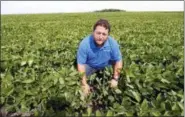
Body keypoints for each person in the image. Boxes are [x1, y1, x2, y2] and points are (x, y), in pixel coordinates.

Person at [77, 19, 123, 96]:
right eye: (98, 33)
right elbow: (81, 64)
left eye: (104, 34)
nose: (100, 37)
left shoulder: (113, 43)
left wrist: (115, 79)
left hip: (107, 65)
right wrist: (84, 84)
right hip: (90, 65)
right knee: (78, 80)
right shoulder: (84, 44)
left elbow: (118, 60)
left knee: (117, 80)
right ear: (93, 32)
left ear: (108, 35)